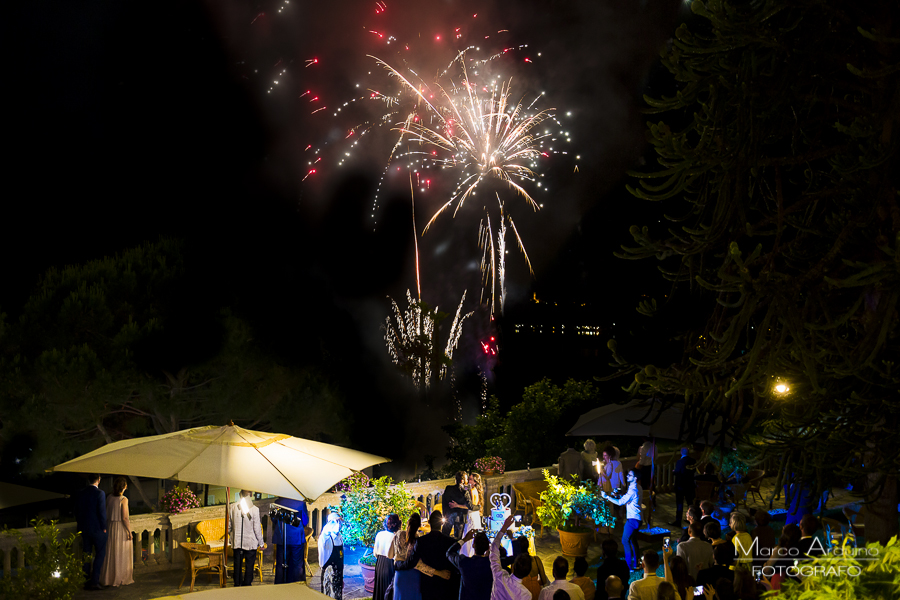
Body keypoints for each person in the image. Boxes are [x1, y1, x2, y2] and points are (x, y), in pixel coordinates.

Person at [396, 510, 457, 600]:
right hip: (445, 583)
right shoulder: (450, 541)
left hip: (428, 584)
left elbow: (413, 562)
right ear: (442, 523)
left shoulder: (421, 541)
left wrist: (399, 565)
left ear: (429, 522)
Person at [600, 468, 642, 570]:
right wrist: (619, 495)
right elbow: (628, 499)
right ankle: (636, 563)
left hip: (632, 520)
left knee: (625, 541)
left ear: (635, 478)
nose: (627, 476)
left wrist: (607, 497)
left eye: (630, 475)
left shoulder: (633, 489)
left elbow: (620, 503)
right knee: (633, 540)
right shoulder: (638, 487)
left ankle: (629, 566)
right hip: (638, 518)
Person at [99, 476, 133, 587]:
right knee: (120, 553)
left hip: (110, 527)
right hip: (119, 528)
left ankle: (109, 578)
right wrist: (129, 531)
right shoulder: (124, 500)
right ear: (124, 487)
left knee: (111, 553)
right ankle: (120, 577)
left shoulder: (109, 497)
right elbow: (124, 518)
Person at [75, 473, 107, 591]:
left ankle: (86, 580)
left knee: (86, 555)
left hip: (84, 529)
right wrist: (104, 527)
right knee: (100, 554)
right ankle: (95, 581)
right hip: (97, 529)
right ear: (98, 480)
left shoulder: (81, 493)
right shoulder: (100, 493)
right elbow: (102, 512)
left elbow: (77, 512)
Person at [490, 515, 532, 600]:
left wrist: (504, 527)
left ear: (514, 566)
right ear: (527, 574)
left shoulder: (499, 576)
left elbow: (494, 549)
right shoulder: (526, 595)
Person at [229, 490, 264, 587]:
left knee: (237, 565)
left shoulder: (232, 507)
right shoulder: (255, 509)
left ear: (240, 494)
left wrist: (232, 536)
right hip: (250, 542)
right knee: (249, 565)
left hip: (237, 542)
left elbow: (229, 526)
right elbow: (257, 528)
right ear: (251, 495)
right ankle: (247, 584)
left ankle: (237, 583)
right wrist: (261, 543)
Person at [273, 496, 310, 584]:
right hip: (296, 537)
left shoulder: (277, 502)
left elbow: (274, 519)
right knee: (297, 564)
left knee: (281, 564)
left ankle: (279, 586)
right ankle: (296, 586)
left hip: (281, 537)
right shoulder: (300, 503)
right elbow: (305, 521)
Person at [447, 529, 492, 600]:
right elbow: (513, 558)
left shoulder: (464, 562)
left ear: (473, 545)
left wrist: (464, 539)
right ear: (488, 547)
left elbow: (449, 553)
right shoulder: (492, 565)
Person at [390, 512, 423, 600]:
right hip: (414, 575)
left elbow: (390, 554)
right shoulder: (419, 540)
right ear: (419, 526)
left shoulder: (398, 534)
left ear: (408, 522)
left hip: (400, 574)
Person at [374, 514, 401, 600]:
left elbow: (375, 553)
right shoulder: (395, 537)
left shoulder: (379, 534)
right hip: (389, 564)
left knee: (379, 587)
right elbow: (395, 555)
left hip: (379, 563)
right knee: (388, 589)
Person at [320, 513, 345, 599]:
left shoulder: (340, 537)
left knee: (338, 594)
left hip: (338, 573)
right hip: (328, 574)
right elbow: (326, 531)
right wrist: (334, 520)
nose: (339, 524)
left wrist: (342, 578)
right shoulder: (325, 538)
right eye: (336, 522)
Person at [443, 472, 474, 539]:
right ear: (462, 480)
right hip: (460, 519)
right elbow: (470, 506)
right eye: (466, 479)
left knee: (444, 537)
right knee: (458, 540)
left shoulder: (448, 489)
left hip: (448, 517)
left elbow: (444, 503)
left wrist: (444, 514)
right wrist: (458, 506)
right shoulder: (465, 491)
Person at [670, 448, 696, 526]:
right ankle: (692, 518)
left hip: (681, 485)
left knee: (680, 503)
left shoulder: (680, 462)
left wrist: (674, 472)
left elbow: (678, 472)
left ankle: (678, 521)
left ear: (681, 452)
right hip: (690, 485)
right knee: (689, 502)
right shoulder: (693, 461)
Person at [461, 473, 484, 556]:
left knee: (469, 535)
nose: (468, 481)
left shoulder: (472, 490)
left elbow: (470, 506)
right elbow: (463, 488)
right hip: (474, 515)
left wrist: (457, 505)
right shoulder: (471, 488)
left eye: (470, 479)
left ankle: (467, 554)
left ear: (475, 482)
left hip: (471, 516)